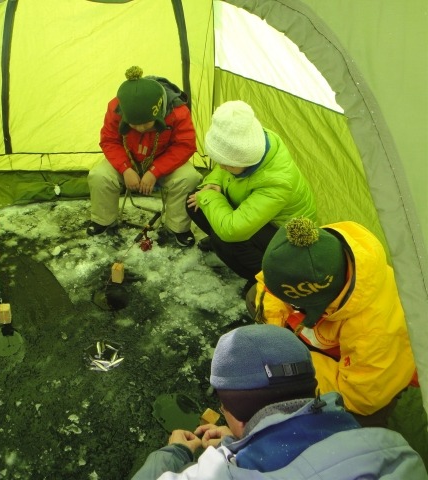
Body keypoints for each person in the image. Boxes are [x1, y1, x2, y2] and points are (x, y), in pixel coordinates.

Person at [132, 324, 427, 479]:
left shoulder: (220, 473)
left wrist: (174, 452)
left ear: (235, 412)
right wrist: (243, 438)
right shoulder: (398, 451)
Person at [249, 217, 418, 427]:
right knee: (253, 299)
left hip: (372, 380)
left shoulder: (374, 331)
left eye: (297, 304)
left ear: (325, 298)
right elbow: (268, 289)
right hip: (337, 342)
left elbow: (361, 398)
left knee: (357, 418)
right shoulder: (311, 252)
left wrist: (286, 365)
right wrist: (273, 340)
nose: (290, 307)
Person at [186, 100, 315, 294]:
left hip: (287, 239)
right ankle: (219, 242)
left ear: (246, 159)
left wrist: (210, 197)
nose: (221, 168)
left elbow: (233, 230)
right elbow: (223, 172)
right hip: (256, 214)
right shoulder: (251, 143)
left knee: (226, 239)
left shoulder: (277, 182)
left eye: (227, 164)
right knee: (194, 201)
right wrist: (214, 185)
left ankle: (263, 277)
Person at [87, 66, 201, 247]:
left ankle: (177, 228)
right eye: (134, 125)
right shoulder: (117, 107)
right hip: (128, 159)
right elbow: (109, 140)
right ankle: (103, 221)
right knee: (99, 176)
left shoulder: (177, 111)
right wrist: (125, 168)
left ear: (157, 113)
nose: (140, 129)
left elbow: (185, 145)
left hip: (163, 162)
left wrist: (155, 171)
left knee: (189, 178)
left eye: (146, 124)